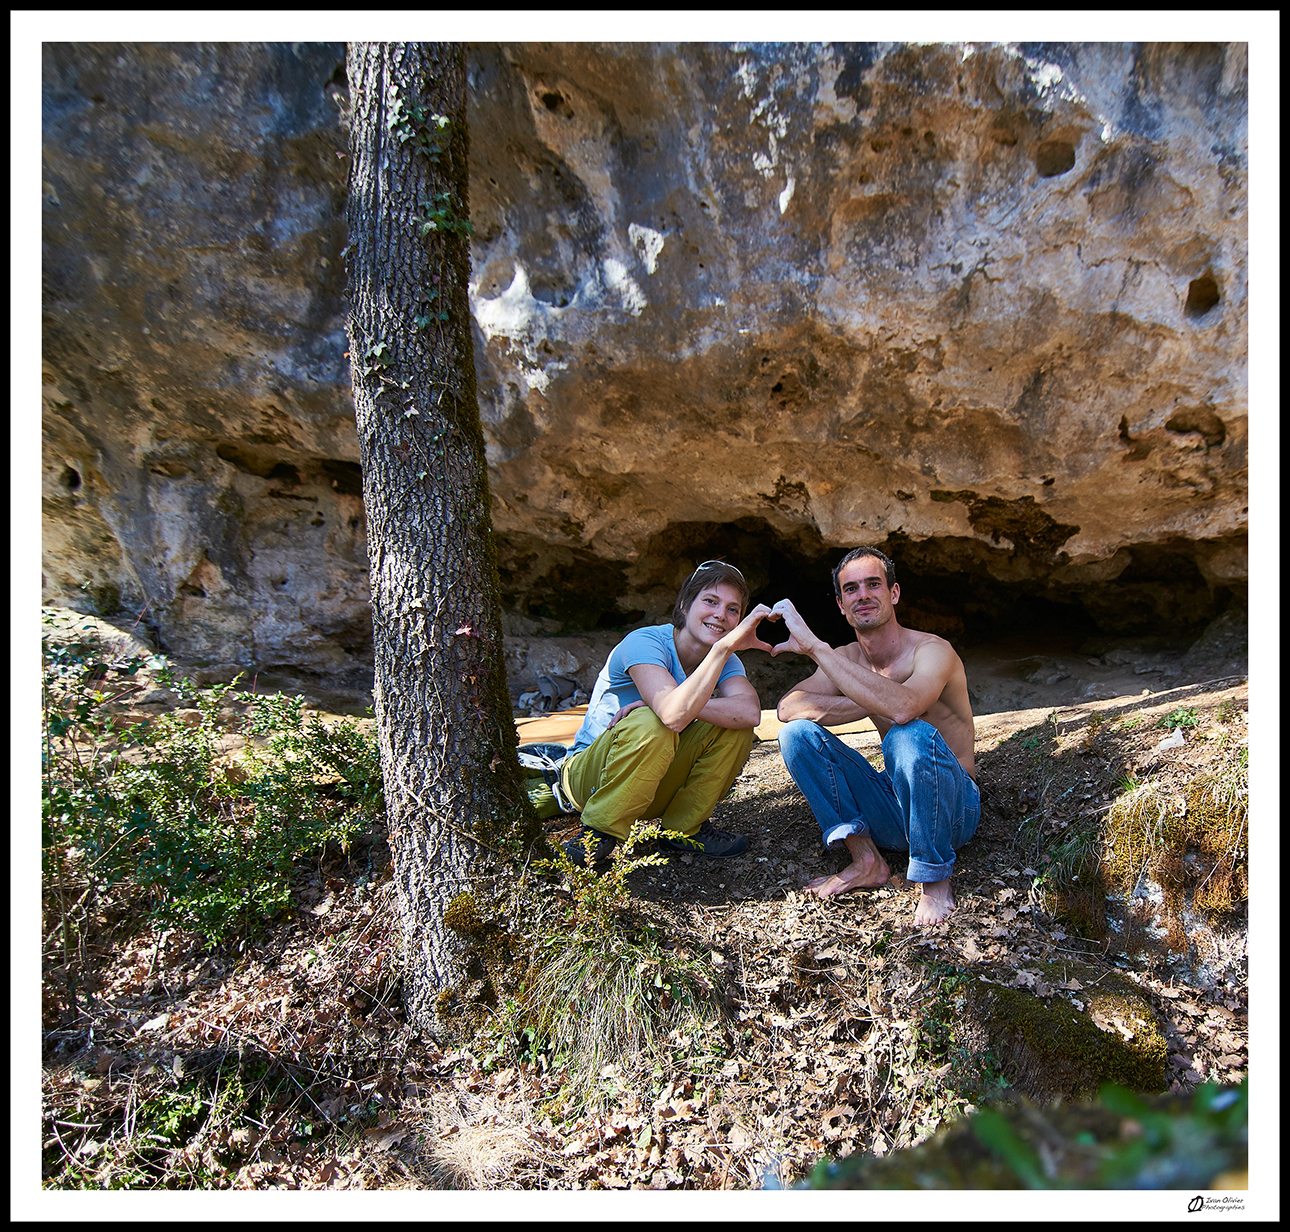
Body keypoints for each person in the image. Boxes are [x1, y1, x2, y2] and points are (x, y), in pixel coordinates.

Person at [771, 546, 978, 927]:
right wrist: (868, 698)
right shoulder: (847, 657)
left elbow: (904, 708)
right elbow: (788, 708)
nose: (862, 595)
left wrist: (816, 649)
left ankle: (934, 878)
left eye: (873, 584)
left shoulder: (932, 650)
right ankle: (866, 859)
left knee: (906, 734)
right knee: (796, 735)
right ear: (840, 603)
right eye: (851, 589)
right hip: (895, 804)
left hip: (954, 808)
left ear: (893, 593)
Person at [561, 560, 776, 868]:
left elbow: (750, 713)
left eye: (733, 610)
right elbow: (672, 717)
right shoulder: (646, 641)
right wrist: (719, 654)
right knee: (655, 721)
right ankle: (598, 833)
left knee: (735, 727)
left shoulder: (724, 659)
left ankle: (684, 830)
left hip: (650, 780)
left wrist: (718, 657)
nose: (721, 615)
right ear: (685, 606)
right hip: (592, 778)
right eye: (711, 601)